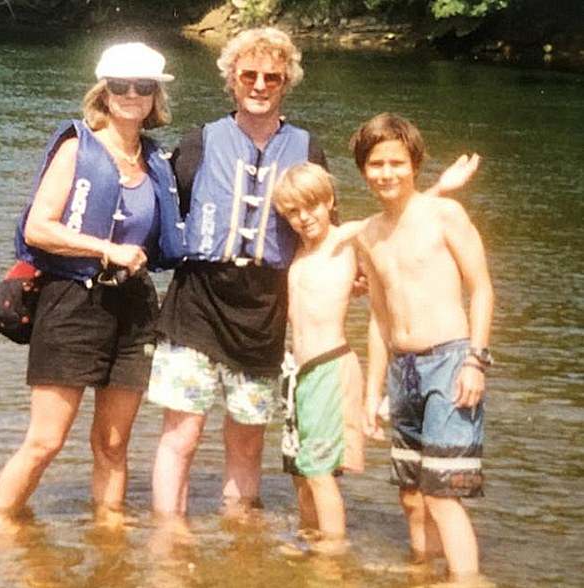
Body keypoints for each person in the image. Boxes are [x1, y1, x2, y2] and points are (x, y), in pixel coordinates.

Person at [147, 26, 480, 520]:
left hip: (262, 311)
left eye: (273, 77)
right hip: (195, 302)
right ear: (233, 81)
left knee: (246, 436)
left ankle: (239, 541)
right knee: (183, 433)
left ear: (286, 83)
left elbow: (341, 231)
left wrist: (366, 269)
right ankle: (166, 539)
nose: (260, 85)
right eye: (250, 75)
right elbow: (156, 213)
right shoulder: (198, 142)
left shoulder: (306, 149)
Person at [0, 42, 183, 529]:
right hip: (72, 298)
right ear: (104, 93)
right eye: (120, 86)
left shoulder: (155, 161)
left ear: (156, 96)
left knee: (112, 443)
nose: (131, 94)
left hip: (133, 307)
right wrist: (104, 248)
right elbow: (38, 228)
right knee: (46, 440)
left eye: (143, 86)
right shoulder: (78, 148)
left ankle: (109, 539)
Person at [354, 113, 494, 580]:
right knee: (411, 492)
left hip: (451, 362)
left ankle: (466, 580)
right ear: (363, 169)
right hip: (402, 369)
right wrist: (372, 394)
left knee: (442, 491)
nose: (387, 173)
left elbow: (483, 289)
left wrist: (476, 360)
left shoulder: (445, 214)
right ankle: (422, 571)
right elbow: (378, 317)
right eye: (376, 164)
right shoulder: (369, 235)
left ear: (414, 164)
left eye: (396, 162)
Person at [273, 162, 368, 555]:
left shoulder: (344, 238)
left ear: (329, 201)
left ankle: (333, 551)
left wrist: (442, 188)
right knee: (299, 469)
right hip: (297, 372)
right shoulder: (299, 249)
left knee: (320, 470)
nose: (303, 217)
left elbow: (399, 219)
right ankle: (310, 535)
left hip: (330, 363)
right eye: (293, 212)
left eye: (311, 206)